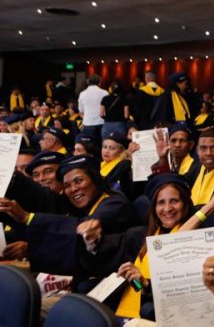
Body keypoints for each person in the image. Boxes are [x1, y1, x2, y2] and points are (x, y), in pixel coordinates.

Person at [77, 174, 200, 321]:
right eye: (161, 203)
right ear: (154, 208)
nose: (167, 208)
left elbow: (186, 294)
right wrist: (133, 278)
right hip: (129, 313)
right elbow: (138, 288)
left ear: (185, 203)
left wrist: (147, 284)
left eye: (174, 201)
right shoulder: (138, 236)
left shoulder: (194, 243)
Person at [0, 155, 136, 276]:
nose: (73, 189)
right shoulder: (80, 205)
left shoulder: (115, 203)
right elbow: (44, 200)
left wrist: (27, 219)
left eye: (78, 181)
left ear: (95, 180)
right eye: (67, 185)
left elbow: (79, 232)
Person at [100, 131, 135, 200]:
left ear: (121, 151)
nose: (106, 151)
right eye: (105, 147)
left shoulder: (123, 166)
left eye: (112, 148)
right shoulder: (101, 164)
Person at [77, 74, 109, 139]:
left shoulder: (82, 94)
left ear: (88, 82)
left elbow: (81, 110)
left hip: (88, 123)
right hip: (102, 122)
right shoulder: (105, 92)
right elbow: (107, 109)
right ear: (99, 82)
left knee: (89, 146)